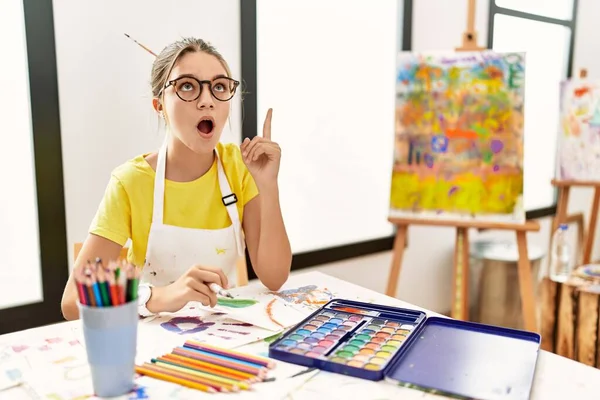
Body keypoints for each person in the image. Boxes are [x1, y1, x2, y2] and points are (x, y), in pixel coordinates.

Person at [60, 37, 292, 320]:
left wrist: (268, 184)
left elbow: (275, 277)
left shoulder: (239, 167)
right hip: (153, 343)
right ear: (159, 105)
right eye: (187, 86)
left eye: (219, 86)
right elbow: (73, 302)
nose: (207, 101)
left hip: (228, 337)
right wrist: (159, 296)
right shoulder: (130, 182)